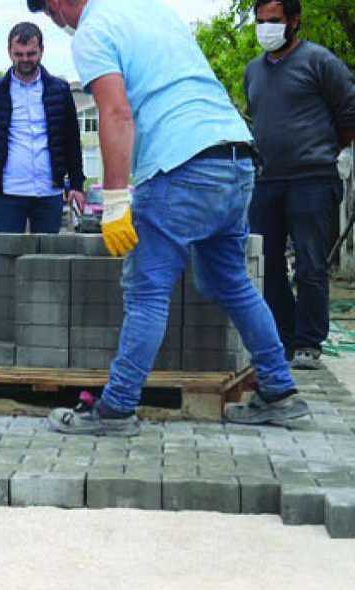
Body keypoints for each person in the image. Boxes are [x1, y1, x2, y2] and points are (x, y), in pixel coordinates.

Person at [25, 0, 308, 435]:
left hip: (182, 167)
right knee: (230, 281)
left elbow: (116, 113)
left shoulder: (93, 31)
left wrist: (117, 200)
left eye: (50, 11)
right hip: (234, 156)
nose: (56, 21)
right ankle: (280, 390)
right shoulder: (147, 8)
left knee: (146, 290)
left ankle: (116, 409)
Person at [245, 0, 355, 370]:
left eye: (273, 21)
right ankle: (285, 336)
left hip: (312, 178)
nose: (265, 28)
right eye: (259, 21)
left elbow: (348, 115)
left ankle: (309, 342)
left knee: (310, 263)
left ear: (293, 21)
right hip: (267, 179)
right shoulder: (253, 72)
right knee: (267, 262)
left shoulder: (320, 62)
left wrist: (325, 151)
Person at [0, 22, 85, 235]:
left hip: (49, 190)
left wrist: (77, 185)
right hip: (7, 190)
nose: (25, 60)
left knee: (47, 259)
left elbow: (71, 141)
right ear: (9, 52)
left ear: (42, 50)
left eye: (31, 53)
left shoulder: (60, 91)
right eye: (19, 54)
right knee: (6, 258)